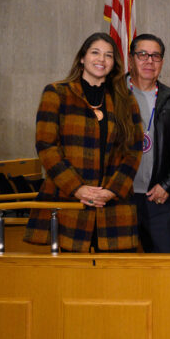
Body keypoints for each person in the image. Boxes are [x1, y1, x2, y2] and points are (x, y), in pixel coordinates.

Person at [26, 32, 144, 252]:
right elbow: (47, 146)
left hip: (114, 205)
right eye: (95, 53)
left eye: (108, 55)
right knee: (72, 280)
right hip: (70, 202)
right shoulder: (57, 93)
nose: (101, 59)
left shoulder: (125, 99)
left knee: (115, 280)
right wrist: (77, 188)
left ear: (114, 63)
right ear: (82, 58)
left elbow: (134, 150)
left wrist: (112, 190)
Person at [127, 33, 170, 253]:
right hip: (120, 198)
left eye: (156, 56)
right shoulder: (114, 93)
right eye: (143, 55)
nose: (149, 61)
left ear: (162, 62)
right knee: (118, 266)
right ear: (131, 59)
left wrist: (167, 185)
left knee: (164, 266)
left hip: (158, 198)